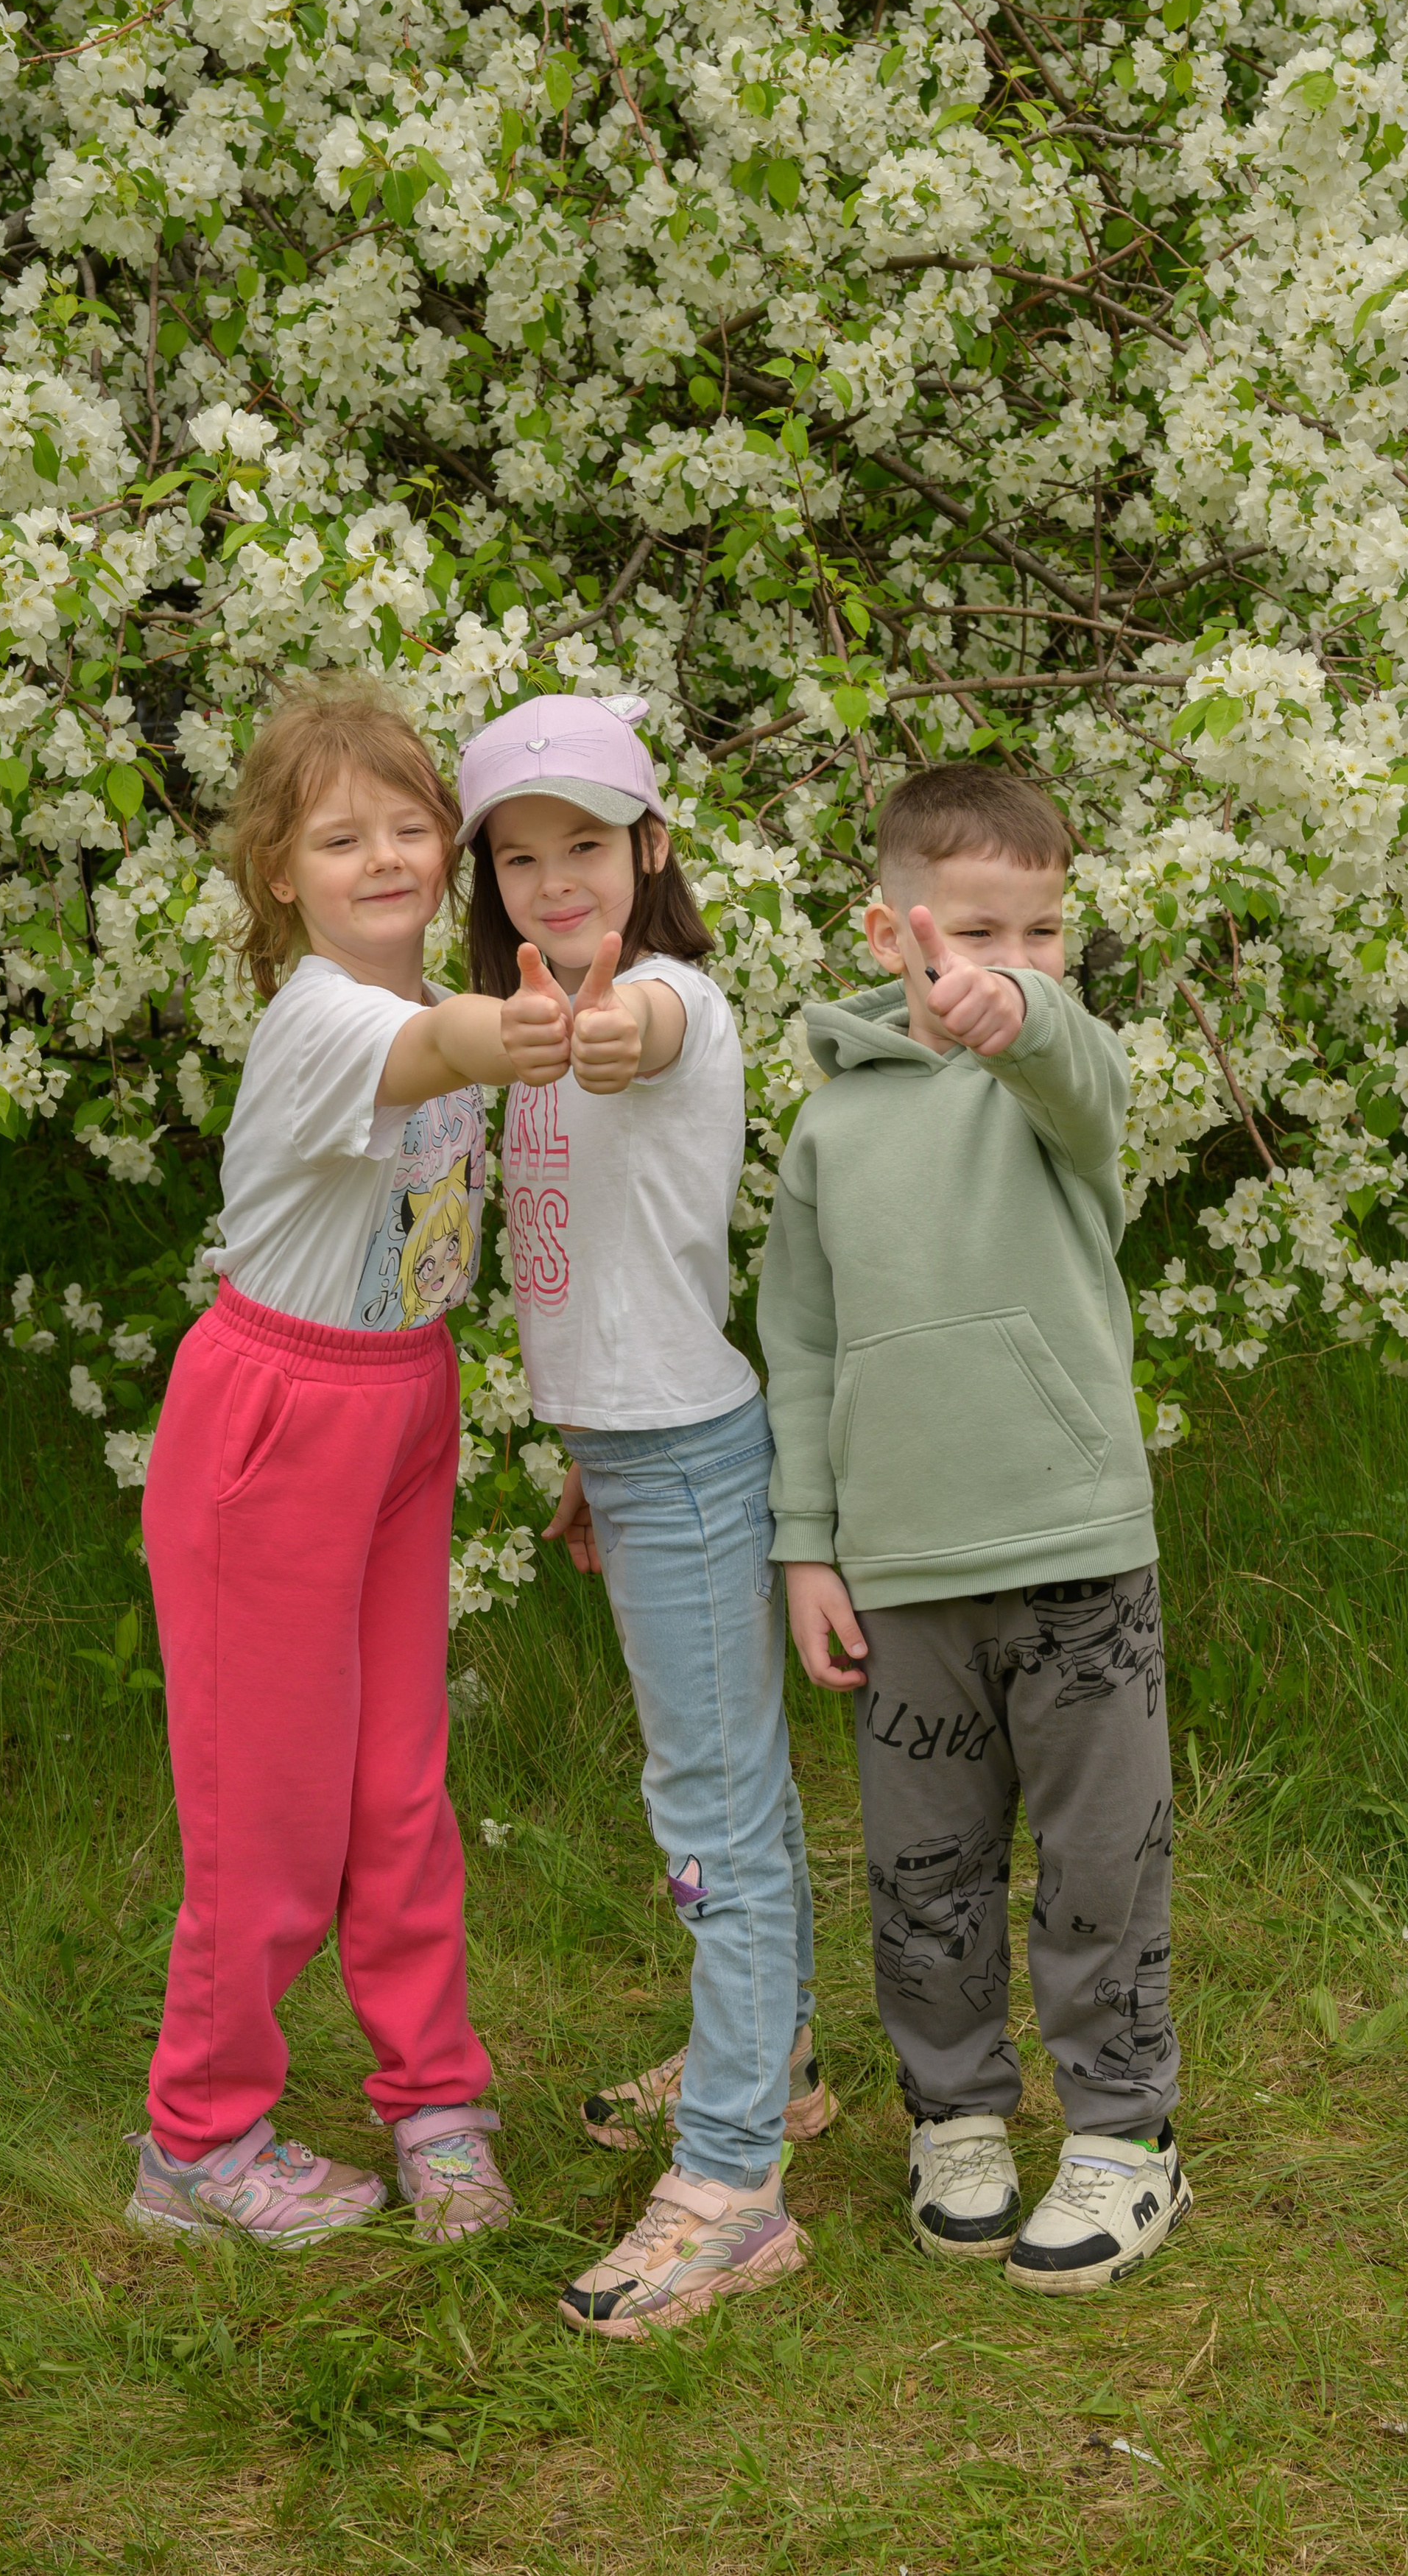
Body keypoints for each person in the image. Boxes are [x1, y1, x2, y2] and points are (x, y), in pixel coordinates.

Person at [128, 683, 572, 2248]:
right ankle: (197, 2138)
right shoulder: (329, 1017)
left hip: (402, 1403)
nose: (382, 854)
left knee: (398, 1788)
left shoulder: (432, 994)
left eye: (407, 825)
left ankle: (433, 2100)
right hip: (276, 1425)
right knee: (271, 1812)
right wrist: (502, 1034)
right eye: (338, 836)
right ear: (279, 872)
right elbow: (442, 1041)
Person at [758, 762, 1189, 2297]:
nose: (1010, 963)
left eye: (1044, 932)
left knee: (1096, 1864)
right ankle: (954, 2116)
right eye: (973, 931)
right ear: (893, 930)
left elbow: (1065, 1061)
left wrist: (1028, 1021)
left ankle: (1125, 2133)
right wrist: (805, 1545)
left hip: (1073, 1550)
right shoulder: (825, 1134)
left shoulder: (1067, 1086)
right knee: (921, 1871)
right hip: (901, 1572)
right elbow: (798, 1348)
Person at [459, 690, 826, 2338]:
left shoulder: (663, 997)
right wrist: (587, 1461)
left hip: (686, 1456)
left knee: (711, 1809)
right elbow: (599, 1268)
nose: (554, 883)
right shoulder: (519, 1009)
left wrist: (604, 1025)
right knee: (716, 1787)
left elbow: (645, 1039)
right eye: (520, 857)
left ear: (650, 850)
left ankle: (733, 2182)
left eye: (586, 848)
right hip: (640, 1452)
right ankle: (780, 2051)